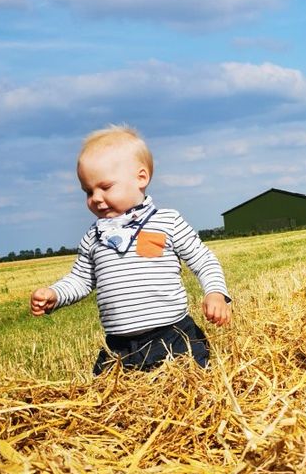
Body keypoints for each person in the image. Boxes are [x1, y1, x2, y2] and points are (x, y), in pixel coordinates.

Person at [30, 125, 232, 374]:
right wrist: (55, 294)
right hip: (119, 348)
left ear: (141, 178)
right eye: (88, 191)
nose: (96, 198)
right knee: (106, 405)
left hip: (172, 337)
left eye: (105, 187)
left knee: (191, 394)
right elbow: (80, 280)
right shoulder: (94, 237)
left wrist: (215, 293)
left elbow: (203, 260)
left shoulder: (166, 222)